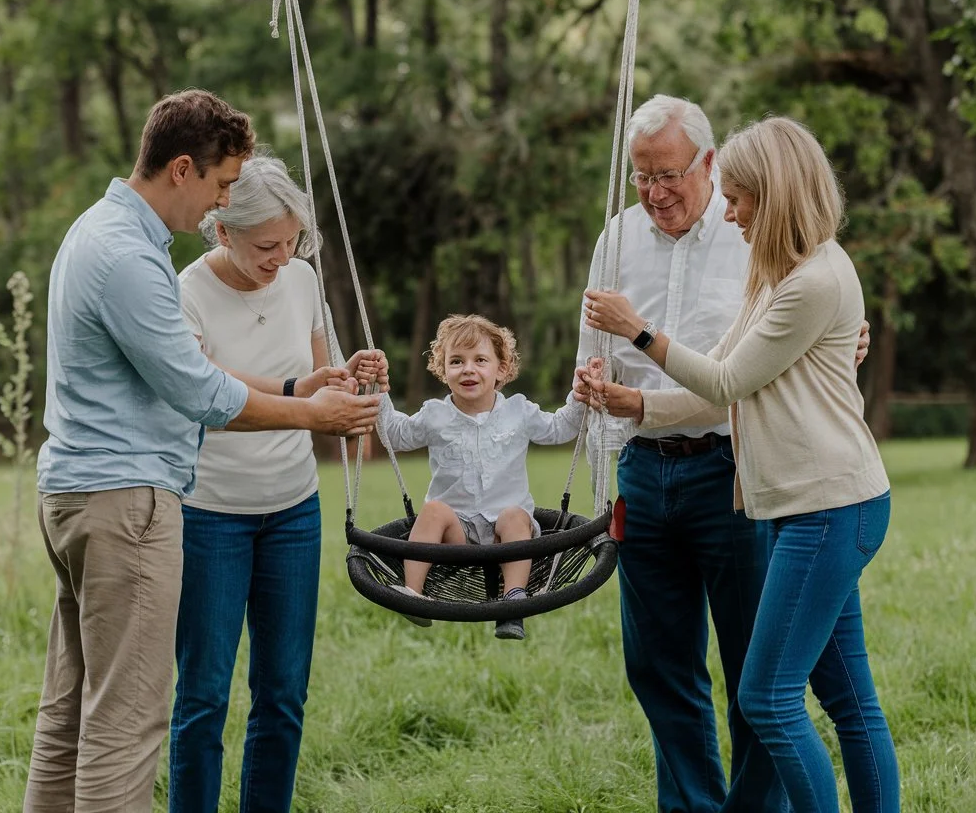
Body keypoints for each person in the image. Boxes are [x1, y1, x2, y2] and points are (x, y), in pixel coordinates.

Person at [24, 90, 380, 813]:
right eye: (220, 186)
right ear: (182, 170)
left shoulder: (95, 232)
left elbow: (188, 379)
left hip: (78, 492)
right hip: (126, 504)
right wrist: (307, 409)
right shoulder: (130, 257)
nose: (218, 204)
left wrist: (296, 387)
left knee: (69, 719)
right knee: (127, 727)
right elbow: (200, 392)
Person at [581, 116, 897, 812]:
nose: (729, 209)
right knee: (849, 700)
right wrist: (633, 404)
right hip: (806, 507)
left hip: (828, 505)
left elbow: (725, 385)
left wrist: (637, 329)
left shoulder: (813, 280)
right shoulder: (778, 275)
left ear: (775, 192)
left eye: (740, 196)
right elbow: (719, 374)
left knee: (769, 698)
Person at [169, 151, 386, 813]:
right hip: (209, 512)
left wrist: (353, 387)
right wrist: (307, 399)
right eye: (267, 245)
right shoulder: (185, 293)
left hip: (293, 510)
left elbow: (321, 388)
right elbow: (210, 401)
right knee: (204, 694)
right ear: (222, 230)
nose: (281, 257)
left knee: (284, 690)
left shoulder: (301, 281)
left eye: (292, 241)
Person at [380, 313, 585, 641]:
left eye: (480, 360)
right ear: (443, 369)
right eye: (456, 361)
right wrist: (378, 391)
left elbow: (561, 428)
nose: (468, 369)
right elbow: (396, 435)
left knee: (515, 515)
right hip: (456, 533)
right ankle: (412, 594)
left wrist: (579, 394)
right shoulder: (435, 415)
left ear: (501, 369)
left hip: (507, 535)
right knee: (433, 510)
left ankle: (513, 602)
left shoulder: (519, 411)